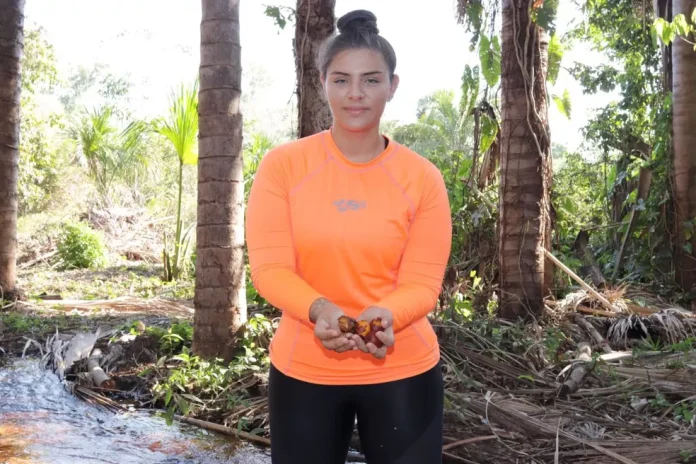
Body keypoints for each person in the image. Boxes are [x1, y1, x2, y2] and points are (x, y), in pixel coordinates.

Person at [245, 9, 452, 464]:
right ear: (322, 83)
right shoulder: (283, 167)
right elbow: (270, 269)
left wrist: (386, 316)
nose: (355, 94)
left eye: (371, 80)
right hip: (304, 372)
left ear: (392, 87)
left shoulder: (422, 179)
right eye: (341, 80)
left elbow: (422, 284)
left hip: (404, 370)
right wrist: (319, 309)